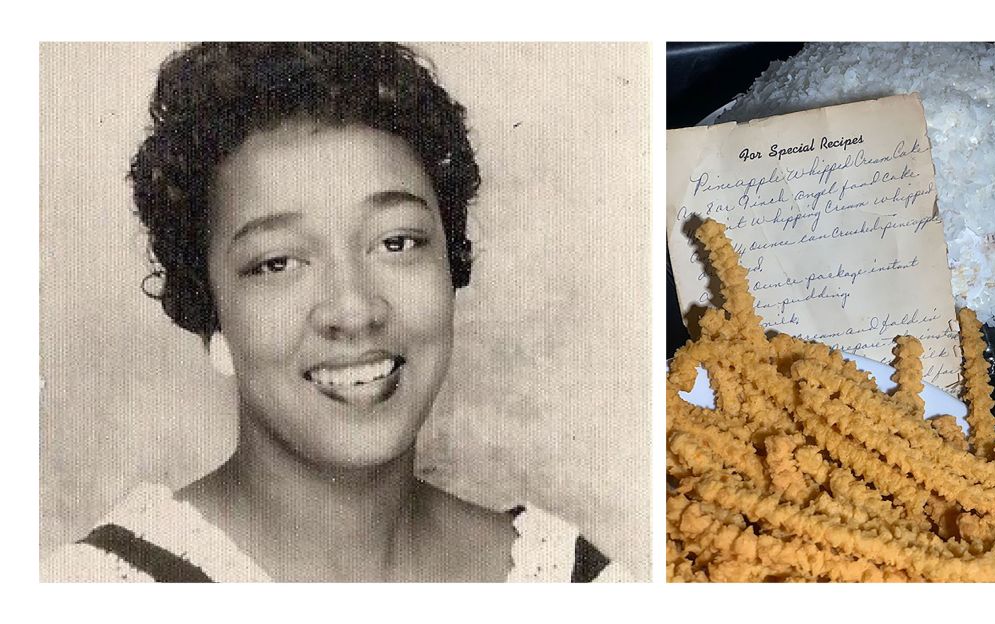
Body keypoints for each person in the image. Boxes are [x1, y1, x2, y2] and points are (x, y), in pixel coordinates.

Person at [43, 42, 629, 583]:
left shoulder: (571, 581)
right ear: (211, 316)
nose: (354, 310)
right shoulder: (96, 588)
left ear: (450, 266)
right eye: (277, 263)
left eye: (396, 242)